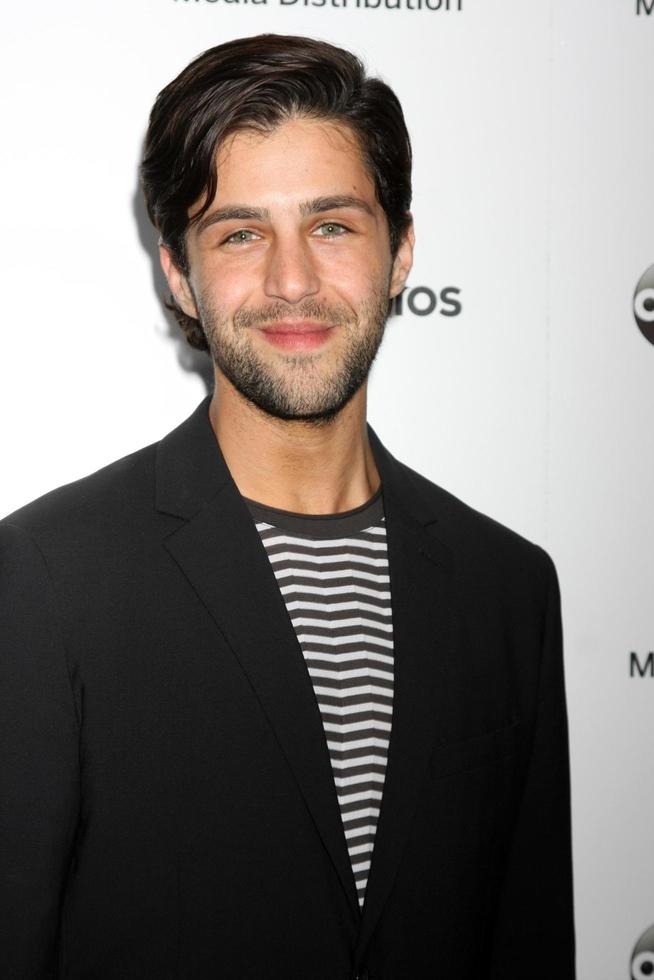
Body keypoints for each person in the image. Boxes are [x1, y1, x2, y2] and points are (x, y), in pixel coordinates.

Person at [0, 34, 575, 979]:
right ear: (179, 273)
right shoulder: (51, 581)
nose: (293, 281)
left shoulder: (508, 590)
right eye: (241, 233)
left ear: (402, 252)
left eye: (334, 226)